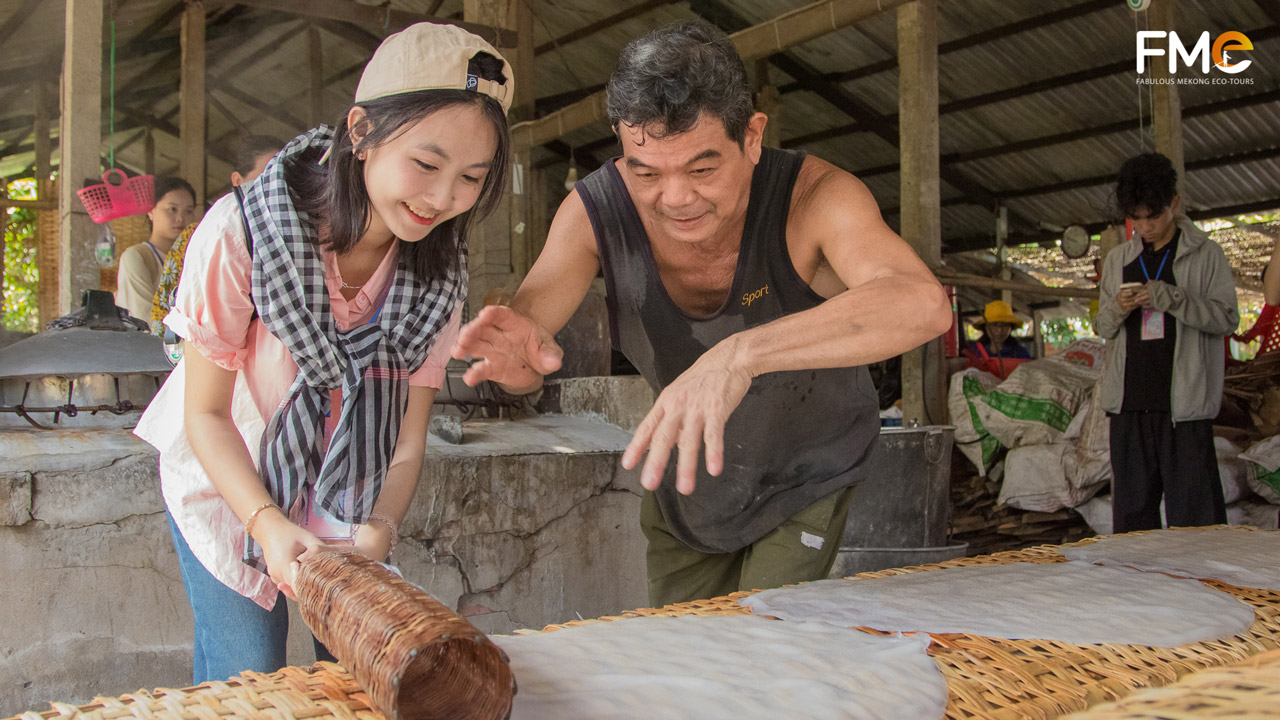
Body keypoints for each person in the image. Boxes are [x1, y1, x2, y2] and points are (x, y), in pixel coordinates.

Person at [452, 21, 951, 606]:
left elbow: (921, 304)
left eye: (702, 169)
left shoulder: (814, 198)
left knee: (762, 646)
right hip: (686, 487)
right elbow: (530, 341)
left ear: (753, 136)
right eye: (646, 172)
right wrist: (520, 365)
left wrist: (738, 355)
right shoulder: (593, 212)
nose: (676, 198)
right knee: (682, 654)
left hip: (805, 474)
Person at [133, 23, 512, 683]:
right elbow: (206, 417)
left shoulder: (438, 276)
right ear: (362, 131)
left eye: (471, 178)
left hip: (344, 495)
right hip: (229, 480)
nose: (441, 198)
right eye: (425, 164)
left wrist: (382, 527)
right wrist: (268, 526)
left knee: (360, 673)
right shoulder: (243, 232)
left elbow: (406, 444)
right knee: (249, 672)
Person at [1094, 152, 1237, 533]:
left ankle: (1203, 591)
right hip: (1128, 408)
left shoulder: (1205, 255)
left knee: (1197, 523)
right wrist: (1118, 307)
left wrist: (1172, 298)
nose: (1145, 227)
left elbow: (1226, 318)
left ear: (1174, 203)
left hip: (1185, 410)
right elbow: (1103, 328)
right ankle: (1138, 590)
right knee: (1132, 523)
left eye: (1153, 216)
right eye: (1136, 218)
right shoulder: (1118, 259)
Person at [150, 135, 285, 336]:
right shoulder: (217, 234)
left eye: (284, 178)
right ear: (238, 181)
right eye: (266, 178)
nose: (277, 188)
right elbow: (173, 317)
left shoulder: (293, 240)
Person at [116, 175, 196, 320]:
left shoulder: (194, 258)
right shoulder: (137, 257)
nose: (180, 218)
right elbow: (143, 319)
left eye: (188, 211)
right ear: (151, 211)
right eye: (172, 209)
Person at [963, 300, 1030, 379]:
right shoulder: (976, 352)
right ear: (986, 327)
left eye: (1005, 325)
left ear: (1010, 328)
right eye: (994, 325)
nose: (999, 330)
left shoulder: (1020, 353)